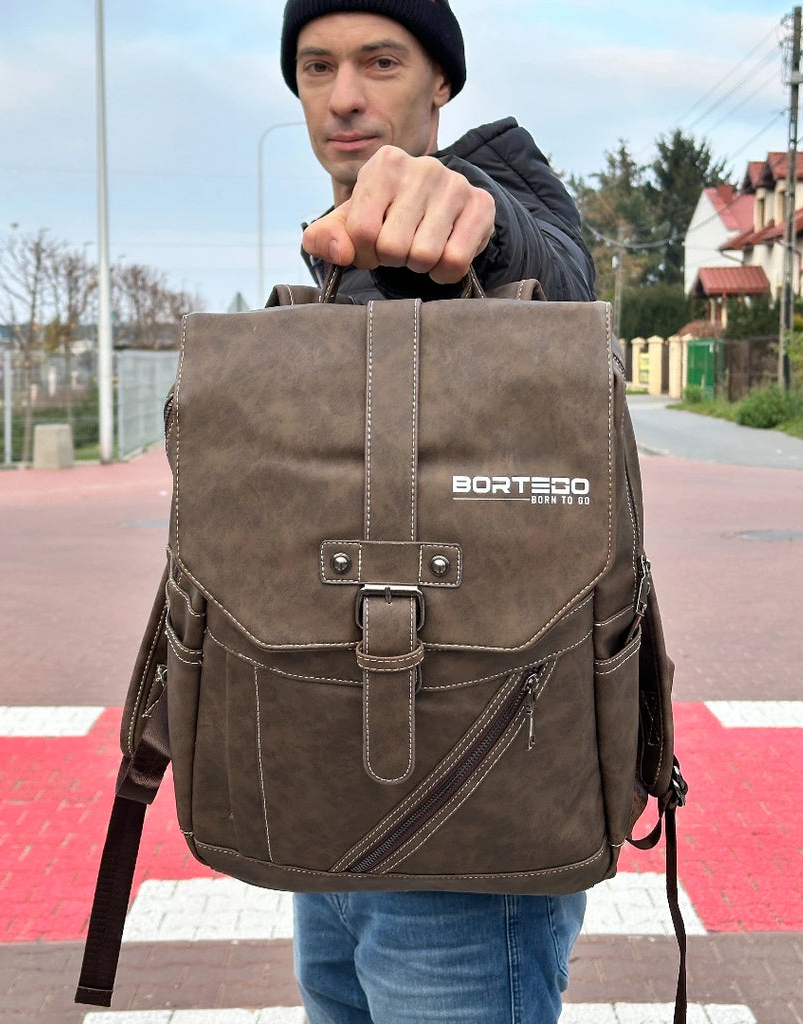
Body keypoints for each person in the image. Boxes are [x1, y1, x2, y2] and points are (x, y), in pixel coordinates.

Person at [280, 2, 596, 1022]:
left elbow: (550, 270)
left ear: (441, 83)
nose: (343, 96)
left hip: (469, 824)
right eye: (315, 66)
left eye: (381, 61)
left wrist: (475, 219)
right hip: (334, 805)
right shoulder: (338, 265)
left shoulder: (491, 209)